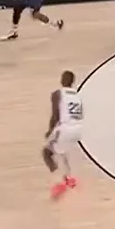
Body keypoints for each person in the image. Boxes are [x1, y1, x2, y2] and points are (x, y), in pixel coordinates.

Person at [45, 70, 82, 199]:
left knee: (47, 153)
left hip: (65, 128)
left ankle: (58, 182)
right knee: (63, 153)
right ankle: (69, 178)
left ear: (62, 80)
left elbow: (55, 114)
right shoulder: (77, 95)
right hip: (78, 128)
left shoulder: (58, 94)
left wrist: (50, 130)